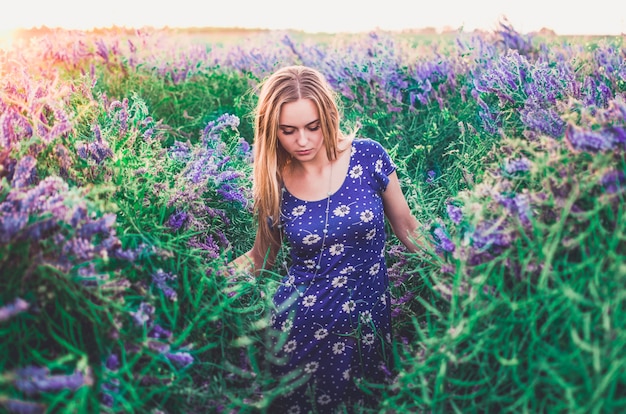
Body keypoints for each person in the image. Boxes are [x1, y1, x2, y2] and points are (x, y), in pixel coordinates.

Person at [230, 65, 424, 413]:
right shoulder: (275, 180)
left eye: (312, 127)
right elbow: (261, 258)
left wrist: (459, 264)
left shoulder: (368, 157)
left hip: (369, 329)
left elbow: (408, 228)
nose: (302, 141)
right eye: (288, 131)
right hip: (299, 332)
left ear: (328, 117)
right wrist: (204, 279)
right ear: (272, 130)